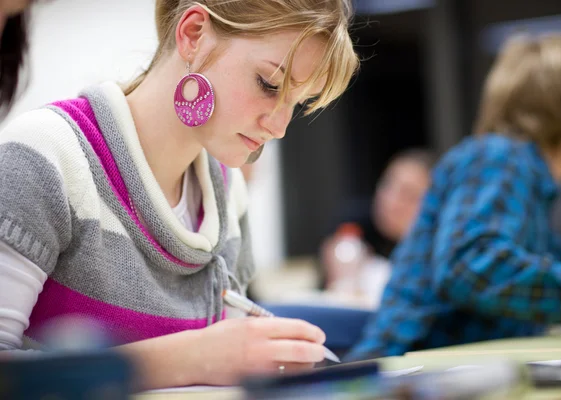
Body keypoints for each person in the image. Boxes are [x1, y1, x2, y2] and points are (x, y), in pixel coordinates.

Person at [0, 0, 359, 389]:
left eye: (296, 103)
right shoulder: (44, 154)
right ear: (193, 35)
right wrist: (192, 358)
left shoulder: (228, 190)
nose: (279, 127)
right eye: (269, 84)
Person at [346, 32, 561, 362]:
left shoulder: (522, 183)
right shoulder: (501, 158)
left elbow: (560, 266)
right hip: (407, 372)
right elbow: (470, 266)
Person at [320, 149, 433, 307]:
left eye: (409, 194)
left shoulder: (433, 251)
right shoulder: (356, 221)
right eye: (388, 186)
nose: (391, 201)